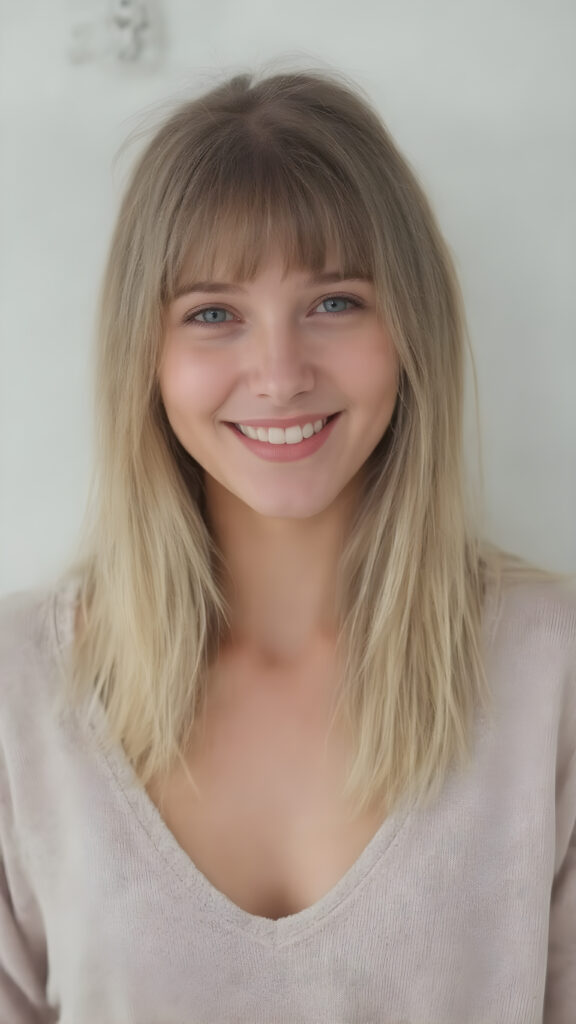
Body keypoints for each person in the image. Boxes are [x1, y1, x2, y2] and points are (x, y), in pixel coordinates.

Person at [0, 64, 574, 1024]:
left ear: (412, 326)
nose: (278, 374)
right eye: (213, 314)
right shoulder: (18, 690)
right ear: (146, 354)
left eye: (334, 302)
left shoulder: (552, 672)